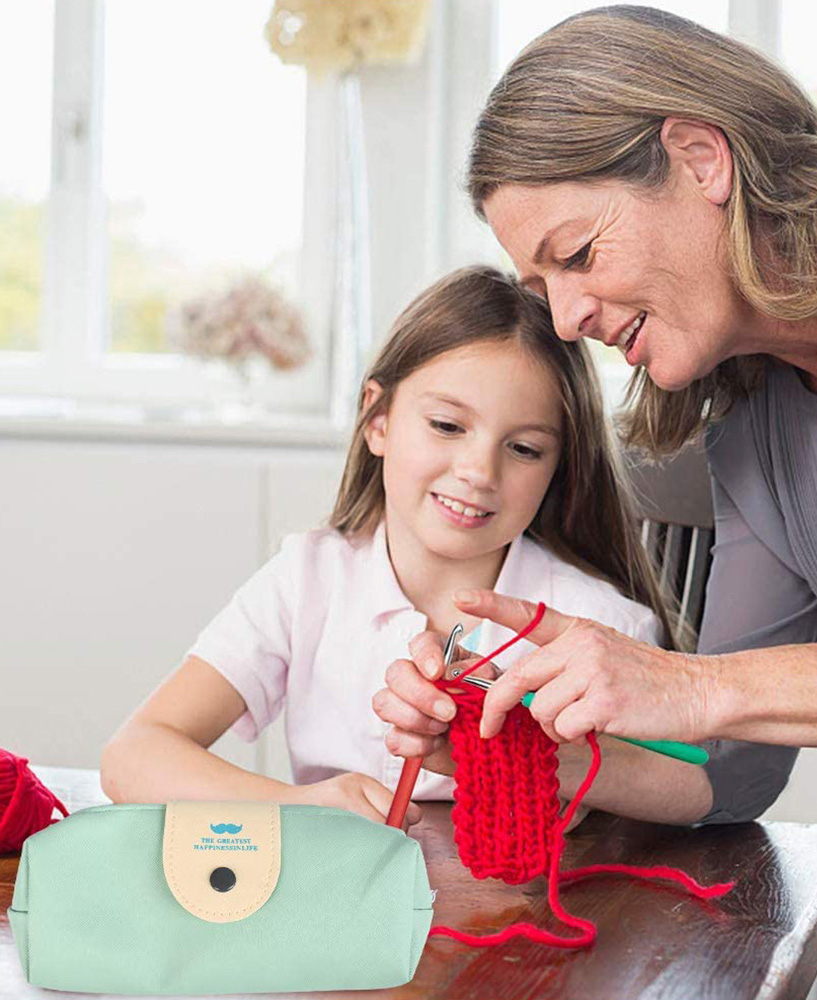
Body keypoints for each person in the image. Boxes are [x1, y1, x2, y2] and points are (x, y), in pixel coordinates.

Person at [375, 6, 817, 825]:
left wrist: (693, 685)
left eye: (578, 255)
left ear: (701, 159)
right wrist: (513, 740)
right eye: (542, 288)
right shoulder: (752, 424)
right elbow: (728, 772)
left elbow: (710, 698)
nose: (566, 320)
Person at [100, 265, 707, 828]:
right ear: (378, 420)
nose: (479, 471)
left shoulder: (594, 626)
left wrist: (535, 751)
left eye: (524, 449)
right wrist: (301, 808)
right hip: (340, 894)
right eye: (446, 425)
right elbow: (134, 755)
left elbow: (692, 790)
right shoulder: (307, 579)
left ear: (558, 467)